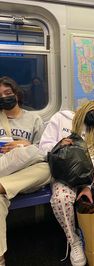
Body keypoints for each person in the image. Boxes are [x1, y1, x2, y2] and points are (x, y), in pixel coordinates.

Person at [39, 101, 94, 266]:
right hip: (63, 169)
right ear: (87, 106)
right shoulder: (61, 117)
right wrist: (59, 144)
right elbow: (43, 147)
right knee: (61, 199)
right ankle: (74, 240)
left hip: (88, 167)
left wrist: (87, 186)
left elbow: (93, 156)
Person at [0, 76, 51, 266]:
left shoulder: (34, 118)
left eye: (8, 93)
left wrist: (26, 145)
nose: (4, 97)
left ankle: (2, 187)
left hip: (25, 174)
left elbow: (44, 151)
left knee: (48, 168)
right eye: (0, 95)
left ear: (16, 94)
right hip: (3, 167)